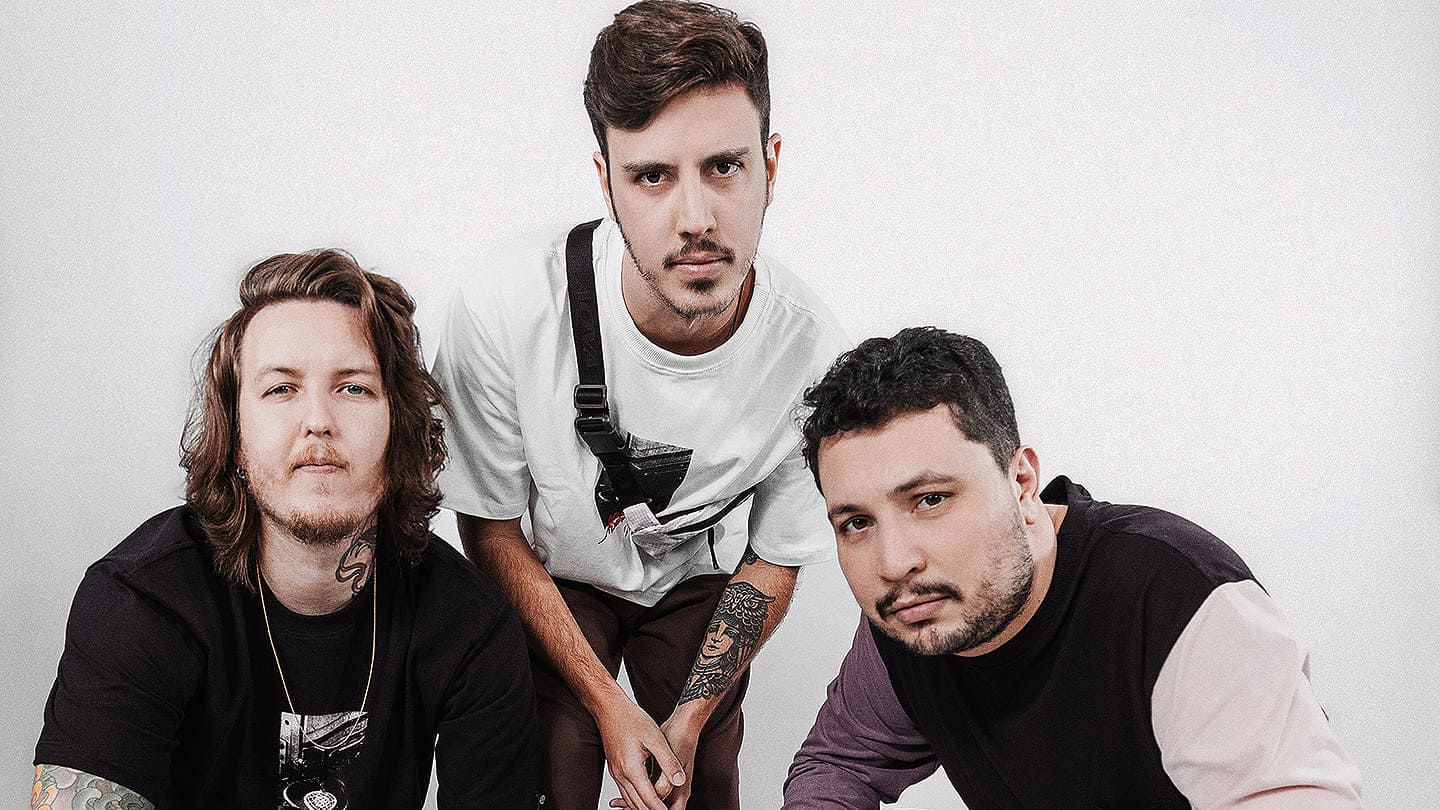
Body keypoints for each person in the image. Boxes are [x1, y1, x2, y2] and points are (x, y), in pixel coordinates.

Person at [430, 2, 845, 808]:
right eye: (652, 176)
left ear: (771, 166)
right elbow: (490, 525)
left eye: (724, 167)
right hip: (554, 573)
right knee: (554, 752)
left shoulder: (813, 357)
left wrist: (687, 719)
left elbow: (774, 556)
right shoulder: (506, 306)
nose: (696, 220)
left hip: (693, 582)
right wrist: (605, 704)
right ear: (606, 182)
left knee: (700, 773)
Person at [32, 250, 540, 809]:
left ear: (399, 427)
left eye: (353, 388)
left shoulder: (469, 624)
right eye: (281, 388)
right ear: (235, 430)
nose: (318, 421)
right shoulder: (141, 603)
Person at [783, 327, 1364, 808]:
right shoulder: (919, 609)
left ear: (1021, 483)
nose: (893, 563)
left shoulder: (1178, 601)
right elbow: (840, 765)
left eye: (931, 499)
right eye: (856, 522)